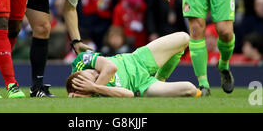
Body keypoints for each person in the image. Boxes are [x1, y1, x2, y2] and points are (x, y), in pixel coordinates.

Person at [66, 32, 203, 98]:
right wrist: (95, 88)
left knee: (184, 38)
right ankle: (157, 82)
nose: (95, 73)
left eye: (90, 72)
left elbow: (111, 67)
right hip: (142, 86)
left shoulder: (80, 61)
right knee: (189, 89)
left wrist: (93, 87)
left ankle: (161, 78)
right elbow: (130, 94)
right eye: (94, 78)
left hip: (138, 59)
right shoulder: (96, 93)